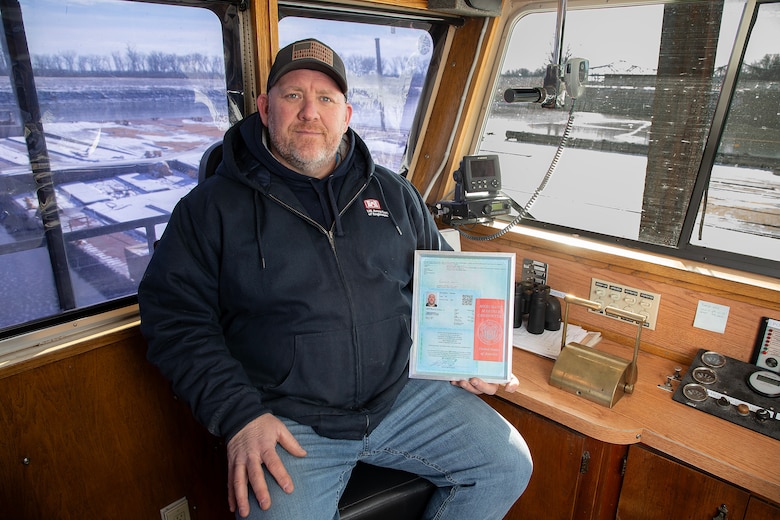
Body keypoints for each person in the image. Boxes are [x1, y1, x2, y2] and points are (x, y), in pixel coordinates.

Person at [138, 38, 532, 520]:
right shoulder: (209, 210)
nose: (310, 112)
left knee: (506, 464)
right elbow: (174, 320)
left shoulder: (394, 193)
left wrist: (471, 355)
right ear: (265, 108)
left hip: (399, 395)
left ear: (346, 115)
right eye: (293, 95)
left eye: (325, 98)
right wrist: (239, 414)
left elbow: (444, 279)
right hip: (287, 414)